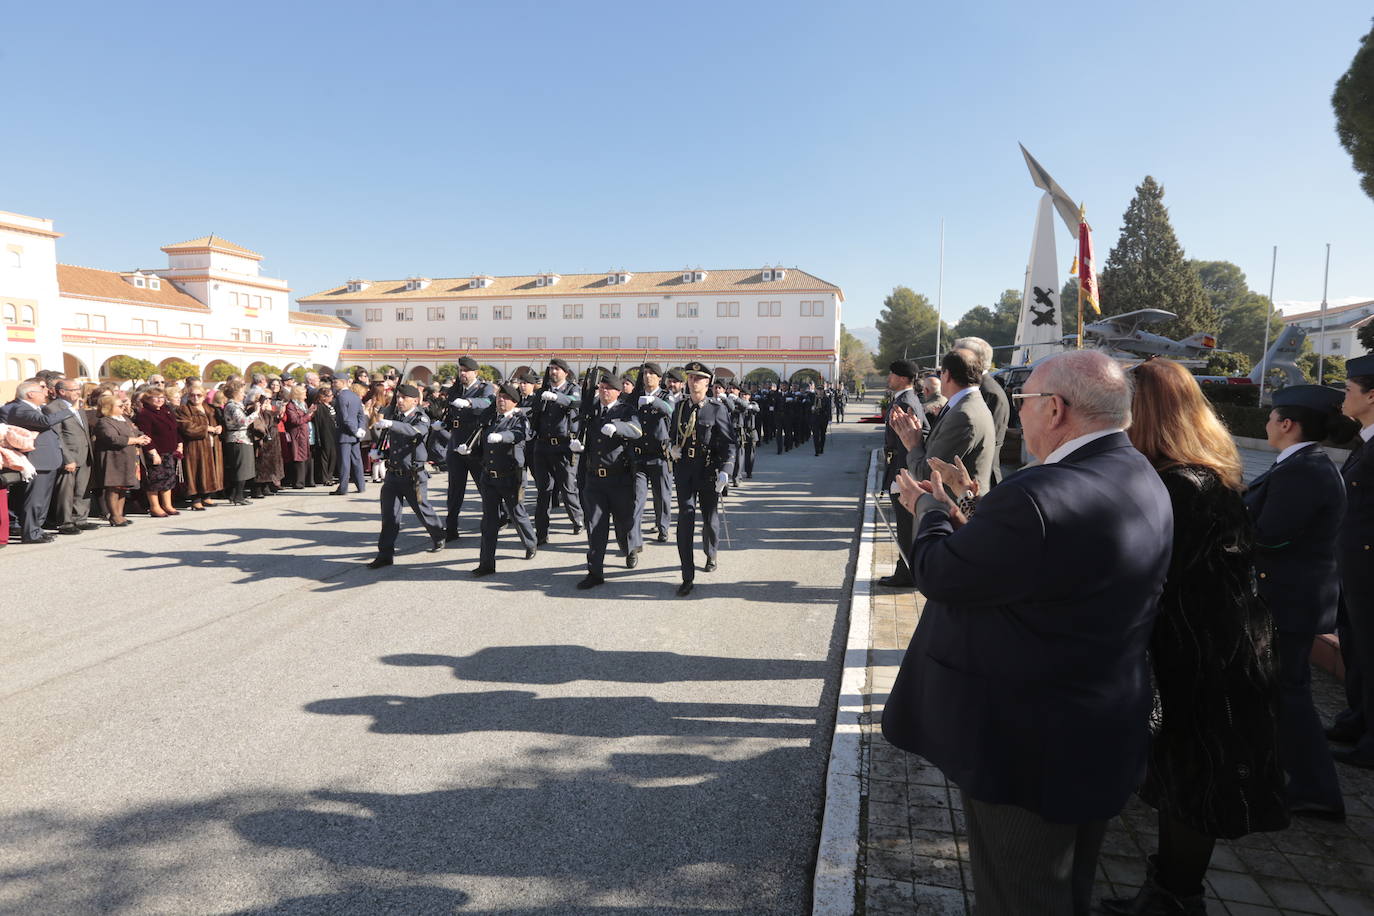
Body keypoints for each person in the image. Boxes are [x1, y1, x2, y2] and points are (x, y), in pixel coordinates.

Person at [882, 349, 1173, 916]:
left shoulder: (1038, 494)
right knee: (1067, 886)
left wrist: (929, 509)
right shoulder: (1138, 472)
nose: (1018, 415)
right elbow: (1045, 569)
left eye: (1024, 403)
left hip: (1026, 742)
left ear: (1057, 409)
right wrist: (972, 512)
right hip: (1096, 722)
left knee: (1020, 894)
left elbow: (941, 575)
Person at [1097, 357, 1287, 914]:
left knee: (1194, 782)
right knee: (1186, 781)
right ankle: (1169, 893)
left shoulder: (1180, 485)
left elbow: (1150, 575)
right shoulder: (1200, 473)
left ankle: (1174, 899)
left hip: (1205, 660)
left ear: (1144, 413)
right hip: (1214, 648)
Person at [1243, 384, 1348, 820]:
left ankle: (1316, 790)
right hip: (1291, 596)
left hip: (1289, 600)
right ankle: (1287, 775)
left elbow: (1271, 534)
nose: (1266, 423)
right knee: (1283, 690)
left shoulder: (1304, 470)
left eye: (1271, 417)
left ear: (1287, 424)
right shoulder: (1302, 464)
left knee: (1289, 693)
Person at [1330, 353, 1374, 768]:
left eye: (1348, 390)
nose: (1343, 397)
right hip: (1354, 569)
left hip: (1368, 572)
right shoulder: (1366, 441)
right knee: (1356, 648)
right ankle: (1357, 719)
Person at [890, 349, 996, 513]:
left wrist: (913, 444)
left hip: (953, 514)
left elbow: (928, 474)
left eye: (941, 373)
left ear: (946, 375)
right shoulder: (966, 404)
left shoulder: (963, 415)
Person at [669, 361, 736, 596]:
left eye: (698, 378)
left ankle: (711, 552)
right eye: (690, 378)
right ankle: (687, 575)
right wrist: (671, 449)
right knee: (685, 519)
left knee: (709, 518)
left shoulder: (717, 409)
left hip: (708, 472)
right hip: (685, 471)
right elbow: (671, 436)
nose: (693, 382)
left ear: (707, 383)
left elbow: (729, 444)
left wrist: (726, 470)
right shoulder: (679, 408)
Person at [576, 373, 645, 589]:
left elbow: (636, 430)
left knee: (624, 523)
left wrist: (618, 427)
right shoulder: (592, 409)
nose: (603, 391)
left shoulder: (626, 410)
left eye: (608, 388)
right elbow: (579, 428)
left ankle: (629, 548)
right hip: (595, 478)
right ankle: (595, 572)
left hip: (619, 479)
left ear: (618, 392)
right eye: (601, 387)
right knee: (595, 526)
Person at [364, 384, 444, 569]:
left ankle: (438, 534)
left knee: (423, 510)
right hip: (393, 474)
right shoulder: (396, 416)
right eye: (398, 397)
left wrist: (392, 424)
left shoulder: (421, 417)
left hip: (413, 475)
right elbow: (391, 443)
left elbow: (415, 432)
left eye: (403, 398)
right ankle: (385, 554)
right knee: (389, 516)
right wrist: (381, 454)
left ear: (415, 401)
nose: (399, 401)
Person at [471, 382, 537, 577]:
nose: (501, 400)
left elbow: (520, 434)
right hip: (489, 477)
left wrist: (502, 437)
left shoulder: (520, 419)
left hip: (510, 477)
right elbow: (481, 440)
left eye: (506, 398)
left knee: (517, 513)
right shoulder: (491, 418)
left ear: (514, 402)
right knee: (489, 521)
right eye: (499, 397)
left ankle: (530, 542)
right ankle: (486, 563)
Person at [877, 360, 928, 588]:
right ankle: (906, 569)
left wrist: (903, 474)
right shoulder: (903, 398)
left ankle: (906, 572)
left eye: (893, 374)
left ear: (904, 378)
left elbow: (914, 440)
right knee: (905, 525)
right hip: (899, 467)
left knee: (906, 526)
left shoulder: (906, 402)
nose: (889, 377)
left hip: (903, 470)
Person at [0, 380, 66, 543]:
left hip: (47, 457)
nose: (46, 392)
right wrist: (70, 410)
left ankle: (37, 529)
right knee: (34, 499)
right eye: (41, 389)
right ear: (30, 394)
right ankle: (30, 533)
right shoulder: (19, 408)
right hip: (37, 458)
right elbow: (44, 422)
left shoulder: (38, 408)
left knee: (42, 499)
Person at [529, 358, 584, 543]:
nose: (553, 372)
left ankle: (577, 519)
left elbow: (575, 402)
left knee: (567, 487)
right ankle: (541, 532)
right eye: (551, 369)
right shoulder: (544, 390)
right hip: (542, 445)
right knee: (543, 490)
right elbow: (534, 413)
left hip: (563, 445)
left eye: (557, 369)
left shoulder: (572, 389)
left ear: (565, 373)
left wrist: (558, 398)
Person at [442, 356, 497, 542]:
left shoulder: (484, 388)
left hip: (475, 443)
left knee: (484, 487)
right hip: (456, 442)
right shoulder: (456, 389)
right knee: (455, 489)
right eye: (460, 370)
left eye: (466, 371)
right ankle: (451, 528)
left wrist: (470, 402)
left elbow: (489, 402)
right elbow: (449, 411)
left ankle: (496, 516)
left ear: (475, 372)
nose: (463, 374)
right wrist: (442, 424)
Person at [953, 336, 1011, 485]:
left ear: (975, 360)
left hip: (980, 477)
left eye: (957, 357)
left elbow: (987, 442)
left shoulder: (989, 392)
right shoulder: (978, 387)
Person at [44, 378, 99, 534]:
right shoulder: (53, 408)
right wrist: (67, 458)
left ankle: (80, 519)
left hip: (85, 453)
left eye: (78, 389)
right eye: (74, 389)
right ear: (62, 392)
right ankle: (65, 522)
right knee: (66, 491)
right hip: (69, 456)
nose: (78, 392)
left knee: (83, 489)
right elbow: (57, 436)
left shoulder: (78, 407)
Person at [90, 390, 152, 527]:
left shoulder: (124, 419)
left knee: (123, 487)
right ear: (108, 408)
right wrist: (135, 439)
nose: (123, 407)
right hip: (113, 460)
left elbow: (135, 431)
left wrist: (143, 437)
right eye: (119, 405)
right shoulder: (104, 422)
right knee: (113, 488)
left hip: (126, 459)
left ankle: (120, 514)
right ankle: (114, 516)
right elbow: (112, 439)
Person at [632, 362, 674, 544]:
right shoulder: (636, 396)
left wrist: (654, 401)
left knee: (662, 495)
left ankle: (663, 527)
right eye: (645, 373)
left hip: (660, 455)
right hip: (640, 455)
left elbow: (670, 410)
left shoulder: (666, 396)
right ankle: (634, 533)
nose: (647, 376)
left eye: (651, 373)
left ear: (659, 378)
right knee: (637, 497)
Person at [133, 388, 182, 518]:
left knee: (169, 478)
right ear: (148, 399)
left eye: (161, 397)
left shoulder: (167, 410)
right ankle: (155, 506)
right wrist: (153, 452)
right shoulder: (145, 414)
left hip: (169, 450)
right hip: (155, 452)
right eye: (156, 397)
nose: (159, 400)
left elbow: (174, 429)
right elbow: (145, 435)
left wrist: (179, 444)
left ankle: (167, 505)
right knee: (154, 480)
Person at [175, 383, 223, 510]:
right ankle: (195, 499)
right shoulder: (184, 409)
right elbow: (187, 428)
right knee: (195, 471)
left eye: (199, 395)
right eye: (192, 395)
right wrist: (206, 428)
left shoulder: (210, 408)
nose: (195, 398)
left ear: (204, 396)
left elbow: (218, 422)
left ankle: (206, 496)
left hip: (212, 443)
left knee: (209, 469)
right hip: (195, 445)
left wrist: (219, 427)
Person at [220, 381, 258, 506]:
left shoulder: (237, 405)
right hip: (237, 439)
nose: (244, 394)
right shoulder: (231, 406)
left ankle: (235, 495)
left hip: (243, 438)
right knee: (241, 469)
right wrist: (256, 413)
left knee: (244, 468)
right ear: (235, 393)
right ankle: (238, 496)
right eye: (242, 392)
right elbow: (243, 421)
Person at [331, 375, 367, 495]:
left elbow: (344, 418)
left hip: (344, 434)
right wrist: (360, 429)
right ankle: (361, 486)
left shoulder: (341, 396)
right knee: (357, 460)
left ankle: (343, 488)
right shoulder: (355, 396)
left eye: (335, 382)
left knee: (344, 463)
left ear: (342, 382)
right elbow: (361, 415)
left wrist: (355, 430)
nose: (333, 384)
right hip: (354, 434)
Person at [282, 385, 316, 489]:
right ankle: (298, 482)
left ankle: (308, 480)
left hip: (305, 433)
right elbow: (295, 421)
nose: (305, 396)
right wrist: (308, 414)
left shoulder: (303, 404)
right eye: (304, 394)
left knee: (307, 455)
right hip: (297, 434)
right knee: (298, 456)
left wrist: (310, 414)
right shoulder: (291, 406)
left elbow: (305, 418)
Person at [310, 385, 339, 488]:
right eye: (330, 395)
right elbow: (320, 423)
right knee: (325, 456)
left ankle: (330, 476)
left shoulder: (330, 406)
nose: (332, 397)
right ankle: (325, 478)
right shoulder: (319, 407)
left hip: (333, 433)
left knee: (333, 455)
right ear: (323, 397)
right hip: (325, 434)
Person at [809, 381, 832, 456]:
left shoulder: (826, 399)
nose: (820, 391)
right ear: (816, 390)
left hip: (823, 418)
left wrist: (830, 419)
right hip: (815, 419)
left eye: (821, 390)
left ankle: (821, 447)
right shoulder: (813, 398)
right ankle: (816, 450)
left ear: (823, 390)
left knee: (822, 434)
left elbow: (829, 409)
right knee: (815, 435)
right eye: (818, 390)